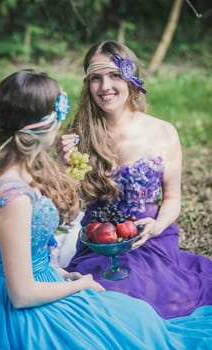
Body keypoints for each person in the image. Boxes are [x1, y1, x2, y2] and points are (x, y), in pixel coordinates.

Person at [0, 69, 212, 350]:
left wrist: (60, 273)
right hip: (14, 306)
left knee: (137, 317)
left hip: (42, 276)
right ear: (47, 124)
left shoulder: (14, 169)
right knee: (124, 334)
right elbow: (22, 295)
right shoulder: (13, 197)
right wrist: (81, 284)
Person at [56, 40, 212, 319]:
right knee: (94, 301)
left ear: (131, 78)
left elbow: (173, 198)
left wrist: (157, 226)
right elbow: (67, 206)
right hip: (97, 245)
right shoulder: (79, 135)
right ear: (87, 83)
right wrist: (65, 166)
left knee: (138, 301)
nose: (105, 87)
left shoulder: (163, 132)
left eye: (115, 75)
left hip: (149, 241)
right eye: (96, 78)